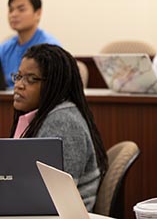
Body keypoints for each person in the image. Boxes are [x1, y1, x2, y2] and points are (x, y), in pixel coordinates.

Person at [9, 44, 108, 211]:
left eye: (31, 79)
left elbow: (51, 198)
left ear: (55, 84)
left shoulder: (63, 123)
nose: (19, 85)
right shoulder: (43, 116)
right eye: (18, 76)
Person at [0, 0, 61, 88]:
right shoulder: (5, 48)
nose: (13, 14)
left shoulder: (50, 47)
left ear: (38, 13)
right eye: (11, 10)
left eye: (21, 9)